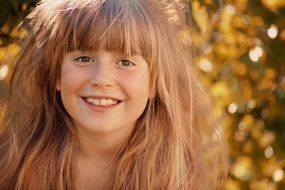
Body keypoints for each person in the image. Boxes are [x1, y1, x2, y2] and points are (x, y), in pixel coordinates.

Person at [0, 0, 229, 189]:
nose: (101, 79)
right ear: (56, 74)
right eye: (83, 58)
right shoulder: (16, 169)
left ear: (154, 83)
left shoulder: (175, 177)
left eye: (125, 61)